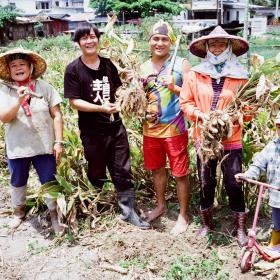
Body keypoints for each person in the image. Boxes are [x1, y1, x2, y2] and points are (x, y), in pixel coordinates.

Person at [64, 23, 150, 229]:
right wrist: (100, 108)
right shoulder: (73, 69)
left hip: (115, 126)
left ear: (98, 39)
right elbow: (74, 101)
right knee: (96, 169)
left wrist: (129, 85)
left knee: (122, 168)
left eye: (93, 36)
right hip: (92, 130)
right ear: (78, 42)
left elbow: (119, 90)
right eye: (84, 38)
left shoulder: (109, 64)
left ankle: (128, 212)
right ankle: (97, 207)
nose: (89, 41)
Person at [180, 26, 251, 246]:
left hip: (232, 139)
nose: (217, 48)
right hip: (205, 139)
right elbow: (185, 102)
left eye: (222, 44)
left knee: (233, 182)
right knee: (206, 182)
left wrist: (235, 118)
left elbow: (249, 108)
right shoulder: (195, 74)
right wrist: (200, 115)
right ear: (207, 47)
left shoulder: (240, 76)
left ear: (229, 47)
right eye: (213, 44)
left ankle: (239, 226)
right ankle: (207, 224)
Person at [0, 48, 64, 233]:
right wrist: (19, 100)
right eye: (13, 66)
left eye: (22, 64)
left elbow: (57, 115)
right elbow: (4, 118)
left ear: (30, 67)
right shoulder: (4, 90)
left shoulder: (45, 87)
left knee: (49, 180)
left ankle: (54, 214)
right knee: (18, 180)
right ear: (9, 70)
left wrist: (58, 142)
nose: (18, 68)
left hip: (44, 145)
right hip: (17, 147)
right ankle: (18, 213)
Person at [140, 20, 191, 235]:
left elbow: (192, 96)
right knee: (157, 170)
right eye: (155, 39)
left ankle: (183, 214)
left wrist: (175, 87)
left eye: (164, 39)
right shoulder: (142, 67)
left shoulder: (182, 64)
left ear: (171, 42)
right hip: (150, 129)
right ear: (149, 41)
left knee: (180, 173)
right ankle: (160, 206)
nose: (159, 43)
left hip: (175, 128)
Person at [235, 112, 280, 247]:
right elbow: (258, 163)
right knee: (277, 223)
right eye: (279, 127)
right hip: (276, 197)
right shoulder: (272, 147)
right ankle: (276, 244)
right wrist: (248, 175)